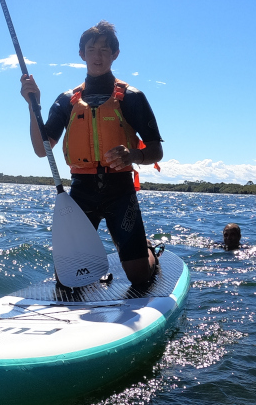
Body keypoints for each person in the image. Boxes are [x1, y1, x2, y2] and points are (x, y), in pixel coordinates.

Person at [20, 20, 164, 286]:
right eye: (92, 49)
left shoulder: (132, 97)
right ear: (81, 54)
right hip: (81, 191)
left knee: (140, 279)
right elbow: (42, 150)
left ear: (115, 54)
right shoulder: (66, 100)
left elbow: (156, 151)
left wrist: (132, 155)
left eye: (105, 50)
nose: (98, 56)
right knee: (68, 280)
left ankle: (147, 250)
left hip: (120, 191)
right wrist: (33, 106)